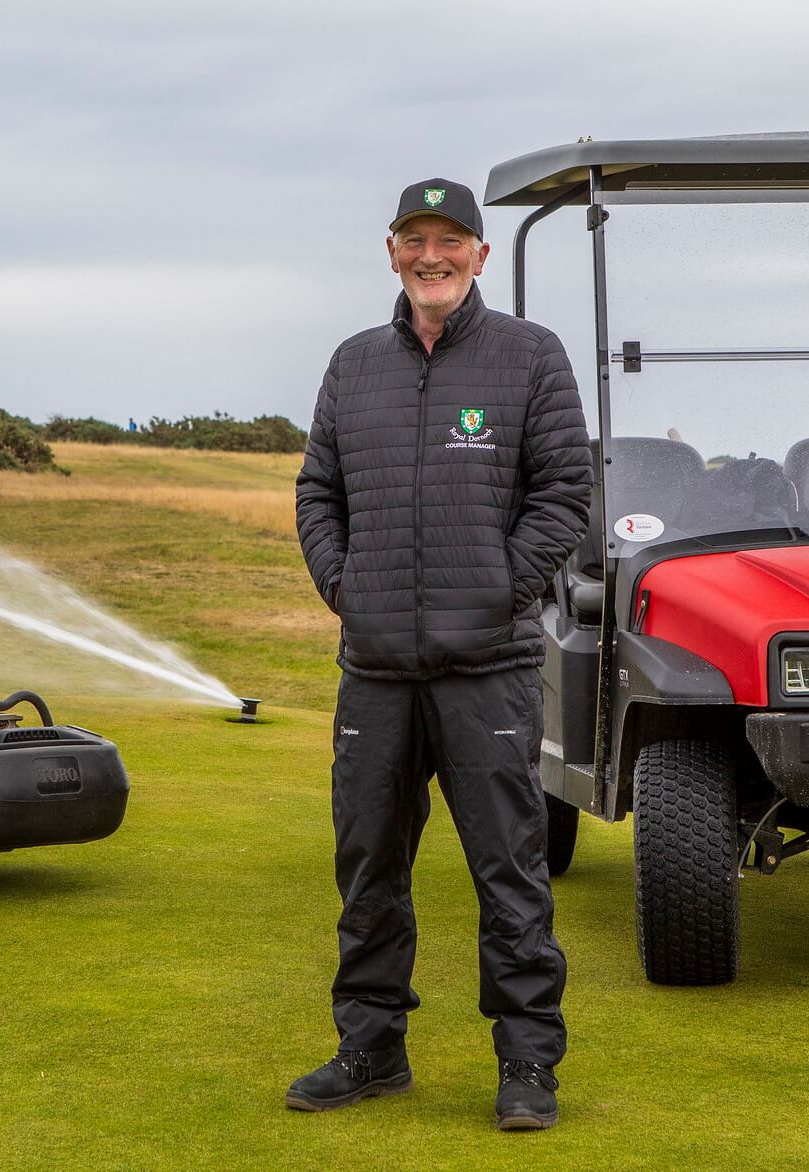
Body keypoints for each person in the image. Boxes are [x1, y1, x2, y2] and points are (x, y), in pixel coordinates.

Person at [288, 178, 592, 1130]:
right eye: (415, 240)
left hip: (487, 666)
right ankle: (370, 1048)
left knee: (509, 865)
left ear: (479, 255)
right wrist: (349, 588)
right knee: (368, 863)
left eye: (450, 241)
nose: (433, 256)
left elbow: (564, 492)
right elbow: (317, 493)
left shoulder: (530, 357)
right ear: (391, 253)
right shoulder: (354, 364)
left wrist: (499, 589)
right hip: (375, 668)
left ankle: (528, 1065)